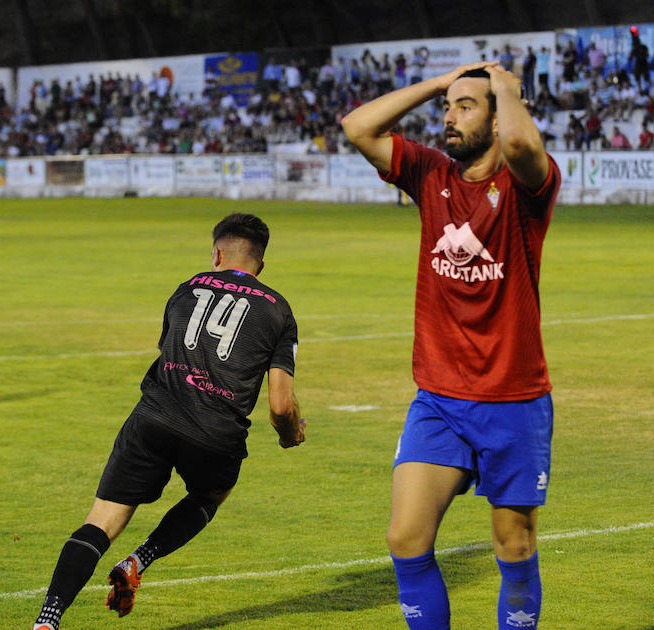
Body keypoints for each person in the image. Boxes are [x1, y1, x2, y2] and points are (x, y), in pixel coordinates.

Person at [342, 60, 560, 630]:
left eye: (466, 107)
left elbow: (517, 140)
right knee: (405, 536)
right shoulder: (431, 174)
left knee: (514, 546)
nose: (450, 117)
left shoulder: (527, 187)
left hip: (513, 399)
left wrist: (507, 89)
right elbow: (358, 127)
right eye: (448, 107)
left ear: (497, 114)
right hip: (439, 398)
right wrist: (441, 84)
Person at [31, 213, 306, 630]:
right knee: (213, 493)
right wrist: (290, 435)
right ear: (261, 265)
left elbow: (169, 349)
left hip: (155, 417)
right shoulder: (279, 311)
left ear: (217, 253)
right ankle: (139, 560)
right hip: (216, 433)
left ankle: (47, 619)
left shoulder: (186, 289)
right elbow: (281, 407)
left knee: (101, 521)